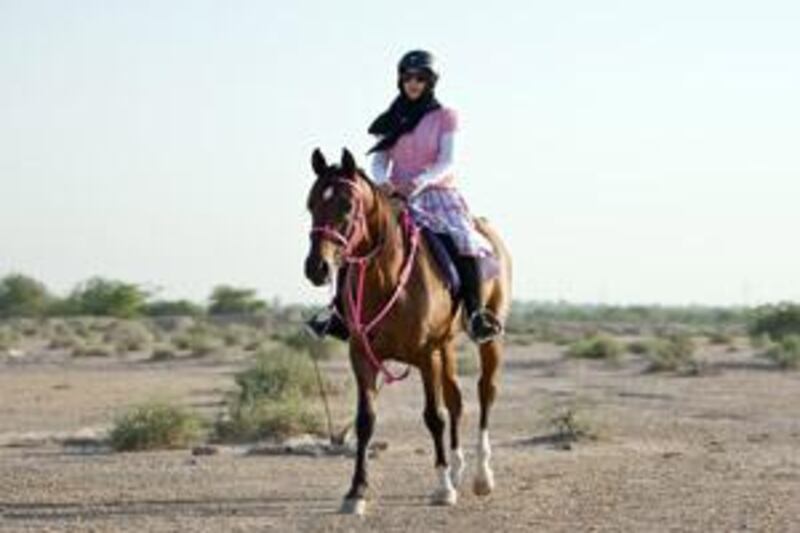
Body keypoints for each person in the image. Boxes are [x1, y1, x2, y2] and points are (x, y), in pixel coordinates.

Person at [307, 49, 502, 344]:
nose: (413, 83)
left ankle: (475, 314)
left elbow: (447, 161)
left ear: (430, 81)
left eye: (420, 78)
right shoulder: (390, 118)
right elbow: (379, 159)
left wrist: (419, 182)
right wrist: (384, 183)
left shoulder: (445, 117)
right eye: (408, 77)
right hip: (395, 195)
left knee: (462, 239)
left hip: (437, 193)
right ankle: (340, 314)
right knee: (358, 239)